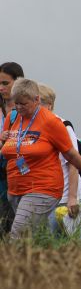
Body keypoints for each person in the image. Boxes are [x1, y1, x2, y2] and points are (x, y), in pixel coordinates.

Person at [0, 78, 81, 239]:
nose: (19, 108)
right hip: (15, 189)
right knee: (38, 238)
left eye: (24, 104)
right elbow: (7, 148)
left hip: (43, 188)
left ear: (36, 100)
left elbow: (72, 155)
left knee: (18, 236)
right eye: (16, 103)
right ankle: (50, 262)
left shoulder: (52, 122)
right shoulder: (12, 118)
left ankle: (13, 264)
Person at [37, 84, 81, 233]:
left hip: (63, 197)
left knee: (58, 242)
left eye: (38, 104)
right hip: (43, 194)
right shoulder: (33, 127)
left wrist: (72, 198)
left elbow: (73, 163)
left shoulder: (63, 126)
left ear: (49, 105)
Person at [0, 62, 24, 235]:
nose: (1, 88)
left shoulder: (27, 108)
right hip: (1, 172)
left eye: (5, 83)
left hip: (20, 169)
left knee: (17, 219)